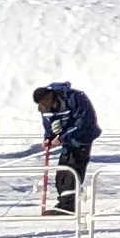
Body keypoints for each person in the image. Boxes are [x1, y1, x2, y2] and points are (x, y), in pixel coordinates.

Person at [35, 79, 101, 213]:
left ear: (50, 96)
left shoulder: (74, 98)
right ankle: (64, 205)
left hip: (82, 139)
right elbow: (49, 126)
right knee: (62, 175)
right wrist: (48, 139)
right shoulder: (44, 108)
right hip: (67, 142)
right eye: (40, 104)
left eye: (44, 102)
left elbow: (83, 123)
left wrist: (62, 137)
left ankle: (68, 207)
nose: (43, 106)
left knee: (72, 172)